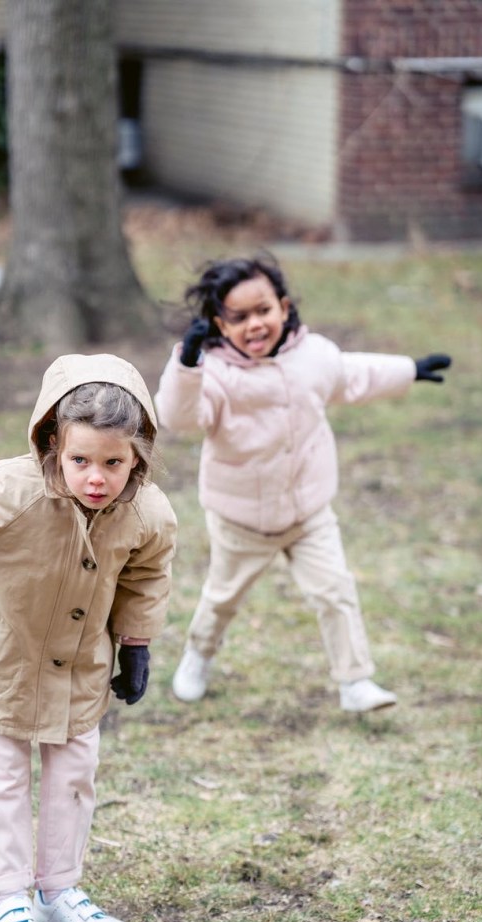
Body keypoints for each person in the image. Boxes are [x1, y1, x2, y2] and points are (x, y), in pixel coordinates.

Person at [0, 353, 177, 922]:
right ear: (53, 443)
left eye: (113, 461)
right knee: (0, 778)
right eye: (80, 460)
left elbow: (147, 577)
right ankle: (10, 901)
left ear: (139, 454)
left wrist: (136, 644)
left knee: (74, 776)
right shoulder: (13, 489)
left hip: (78, 669)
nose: (96, 477)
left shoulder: (147, 512)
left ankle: (58, 894)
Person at [154, 253, 451, 713]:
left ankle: (355, 682)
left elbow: (354, 375)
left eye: (264, 310)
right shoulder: (215, 373)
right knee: (222, 598)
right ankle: (197, 656)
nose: (255, 324)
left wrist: (408, 369)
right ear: (220, 324)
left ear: (285, 307)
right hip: (242, 519)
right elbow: (180, 418)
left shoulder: (313, 356)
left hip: (309, 512)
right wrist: (187, 365)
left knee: (335, 590)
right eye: (239, 317)